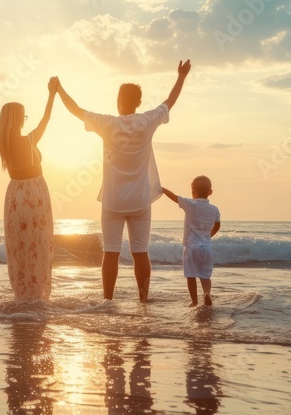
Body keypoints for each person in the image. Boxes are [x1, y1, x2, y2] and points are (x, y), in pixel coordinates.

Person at [56, 60, 192, 302]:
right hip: (140, 201)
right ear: (138, 102)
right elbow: (170, 101)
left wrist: (59, 89)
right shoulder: (148, 121)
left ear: (119, 99)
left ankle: (108, 301)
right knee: (141, 253)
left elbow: (76, 110)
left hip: (113, 202)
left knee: (111, 253)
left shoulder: (108, 124)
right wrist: (181, 76)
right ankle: (143, 300)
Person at [0, 78, 59, 300]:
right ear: (18, 119)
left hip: (14, 195)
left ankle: (22, 294)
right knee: (39, 244)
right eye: (23, 116)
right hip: (35, 194)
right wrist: (52, 93)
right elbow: (46, 118)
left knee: (19, 247)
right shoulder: (30, 140)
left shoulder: (1, 143)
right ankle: (38, 294)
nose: (25, 121)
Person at [162, 176, 221, 306]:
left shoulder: (189, 204)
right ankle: (207, 294)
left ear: (193, 191)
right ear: (210, 192)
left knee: (191, 276)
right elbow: (217, 225)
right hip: (207, 249)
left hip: (191, 248)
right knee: (205, 276)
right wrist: (208, 235)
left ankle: (194, 301)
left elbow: (174, 197)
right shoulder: (214, 209)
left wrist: (162, 189)